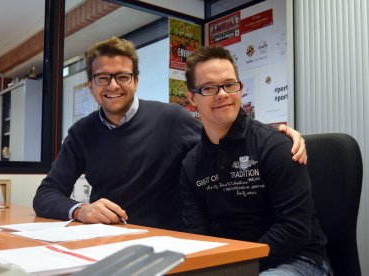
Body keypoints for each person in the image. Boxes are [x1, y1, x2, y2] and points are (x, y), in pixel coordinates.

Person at [33, 37, 306, 231]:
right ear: (91, 85)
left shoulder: (171, 119)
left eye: (123, 77)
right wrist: (81, 210)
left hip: (167, 240)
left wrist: (277, 136)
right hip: (108, 238)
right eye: (103, 78)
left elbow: (222, 136)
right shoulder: (82, 132)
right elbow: (46, 195)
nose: (113, 86)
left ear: (136, 81)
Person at [180, 45, 331, 275]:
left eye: (229, 84)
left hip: (298, 260)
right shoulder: (191, 164)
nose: (222, 94)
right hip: (231, 265)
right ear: (191, 97)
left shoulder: (275, 146)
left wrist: (237, 268)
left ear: (240, 89)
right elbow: (197, 233)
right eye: (209, 88)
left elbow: (295, 228)